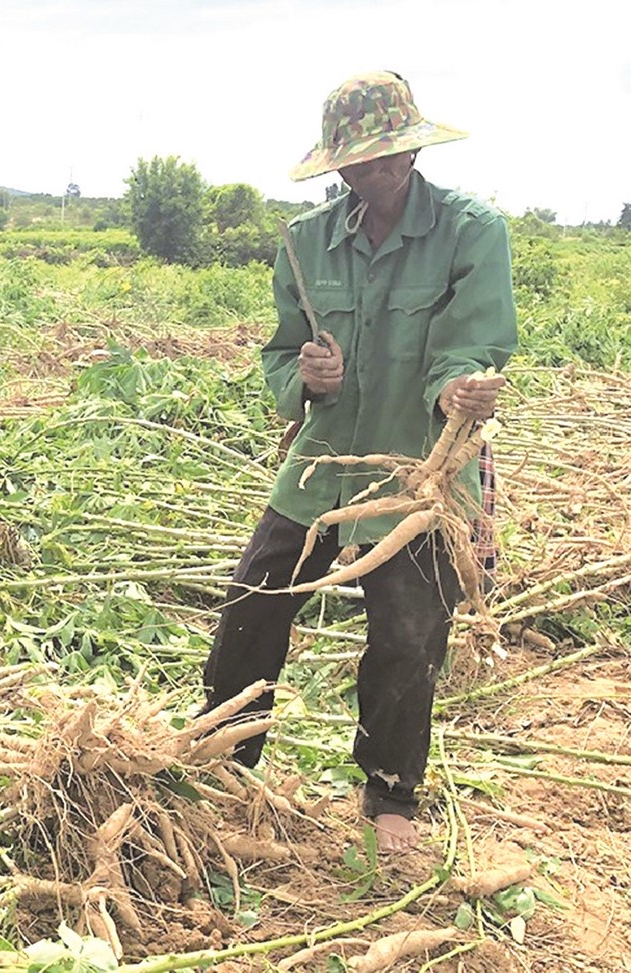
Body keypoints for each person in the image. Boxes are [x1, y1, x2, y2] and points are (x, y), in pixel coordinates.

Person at [199, 71, 517, 854]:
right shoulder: (307, 244)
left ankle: (390, 794)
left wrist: (458, 392)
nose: (366, 177)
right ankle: (224, 765)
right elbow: (278, 354)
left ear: (410, 150)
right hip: (324, 461)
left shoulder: (470, 233)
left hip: (420, 470)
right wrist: (303, 377)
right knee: (253, 599)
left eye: (381, 161)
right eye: (352, 165)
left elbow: (470, 343)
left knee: (411, 631)